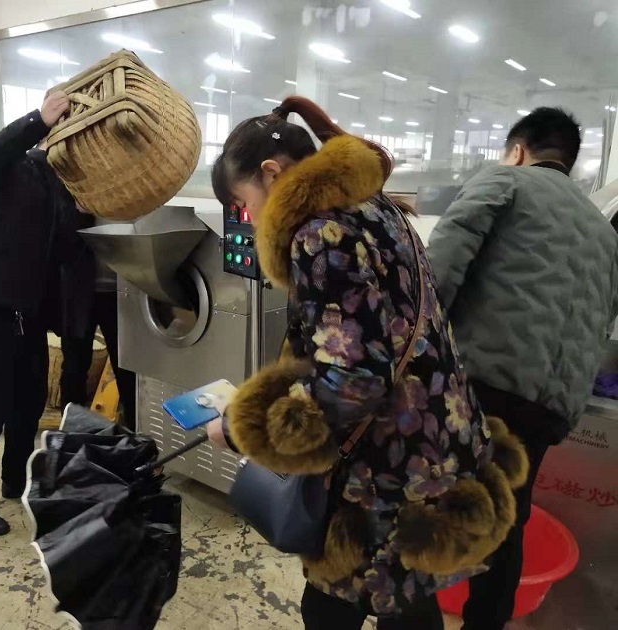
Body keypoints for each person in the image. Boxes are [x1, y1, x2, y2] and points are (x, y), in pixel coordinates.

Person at [204, 96, 528, 629]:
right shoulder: (377, 207)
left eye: (245, 202)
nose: (252, 218)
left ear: (272, 172)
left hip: (385, 461)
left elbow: (352, 381)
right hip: (437, 434)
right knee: (406, 593)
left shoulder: (318, 234)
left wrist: (245, 430)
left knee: (339, 600)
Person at [427, 107, 618, 630]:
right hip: (552, 407)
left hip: (481, 386)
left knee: (428, 504)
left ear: (517, 150)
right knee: (506, 518)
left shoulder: (505, 181)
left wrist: (412, 357)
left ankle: (412, 616)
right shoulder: (605, 233)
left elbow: (439, 272)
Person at [0, 92, 95, 536]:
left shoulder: (61, 186)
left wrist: (85, 216)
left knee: (29, 404)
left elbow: (63, 252)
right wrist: (39, 119)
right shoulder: (13, 164)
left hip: (26, 312)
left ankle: (16, 480)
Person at [59, 217, 137, 430]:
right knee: (74, 367)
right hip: (79, 291)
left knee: (128, 370)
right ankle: (69, 435)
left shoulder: (132, 203)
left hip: (122, 293)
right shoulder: (78, 199)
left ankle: (135, 436)